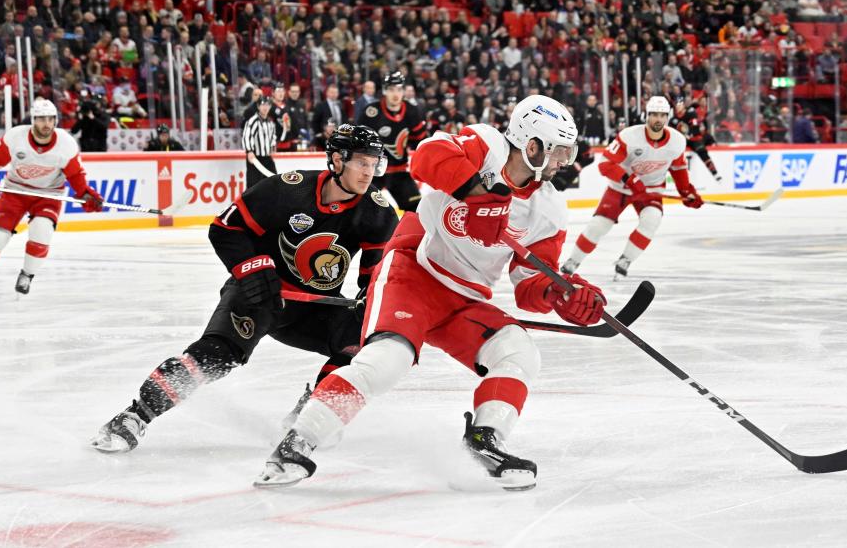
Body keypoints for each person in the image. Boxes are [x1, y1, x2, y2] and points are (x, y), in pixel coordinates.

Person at [255, 95, 606, 492]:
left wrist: (561, 294)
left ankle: (485, 439)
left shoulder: (549, 209)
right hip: (413, 272)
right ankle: (298, 441)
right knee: (388, 360)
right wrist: (476, 193)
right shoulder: (486, 146)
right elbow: (425, 156)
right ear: (533, 144)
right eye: (560, 150)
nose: (566, 160)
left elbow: (529, 285)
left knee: (519, 353)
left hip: (466, 300)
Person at [91, 125, 399, 454]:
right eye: (361, 163)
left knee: (363, 346)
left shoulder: (377, 212)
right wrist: (253, 268)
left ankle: (312, 415)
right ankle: (135, 415)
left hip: (314, 307)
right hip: (258, 295)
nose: (369, 172)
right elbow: (226, 227)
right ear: (337, 160)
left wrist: (372, 301)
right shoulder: (289, 190)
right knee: (216, 356)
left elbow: (377, 276)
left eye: (373, 164)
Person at [0, 99, 103, 297]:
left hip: (49, 194)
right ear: (33, 120)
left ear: (55, 120)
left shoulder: (66, 144)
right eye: (42, 119)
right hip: (15, 191)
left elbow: (76, 175)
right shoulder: (16, 137)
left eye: (51, 119)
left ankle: (27, 275)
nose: (47, 124)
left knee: (41, 232)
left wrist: (86, 194)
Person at [562, 96, 704, 279]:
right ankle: (572, 261)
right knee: (599, 225)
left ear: (667, 117)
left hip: (651, 190)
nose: (658, 119)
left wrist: (687, 192)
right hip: (620, 188)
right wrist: (630, 180)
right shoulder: (629, 136)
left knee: (652, 220)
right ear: (647, 116)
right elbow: (605, 164)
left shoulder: (677, 141)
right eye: (654, 115)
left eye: (662, 115)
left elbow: (679, 168)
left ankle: (625, 261)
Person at [356, 71, 427, 211]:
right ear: (384, 90)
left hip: (399, 171)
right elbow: (358, 143)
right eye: (391, 89)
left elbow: (419, 142)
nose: (396, 94)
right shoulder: (371, 112)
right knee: (360, 209)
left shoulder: (412, 111)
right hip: (372, 172)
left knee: (417, 209)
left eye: (399, 89)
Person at [671, 97, 721, 181]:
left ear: (683, 105)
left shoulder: (691, 112)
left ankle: (715, 173)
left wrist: (689, 134)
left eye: (679, 104)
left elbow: (694, 127)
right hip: (683, 140)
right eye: (676, 104)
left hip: (694, 138)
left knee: (702, 151)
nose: (677, 106)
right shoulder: (673, 120)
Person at [241, 96, 283, 188]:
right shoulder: (253, 121)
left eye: (267, 105)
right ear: (258, 106)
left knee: (274, 181)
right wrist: (249, 151)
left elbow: (272, 136)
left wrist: (272, 146)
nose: (265, 107)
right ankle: (251, 202)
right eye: (263, 105)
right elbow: (247, 135)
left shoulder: (270, 122)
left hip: (267, 158)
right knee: (253, 184)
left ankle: (272, 201)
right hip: (255, 158)